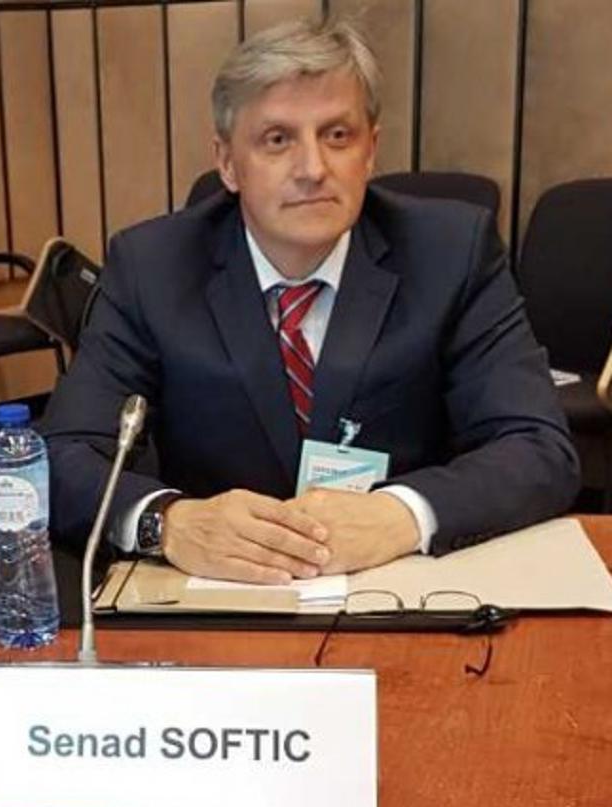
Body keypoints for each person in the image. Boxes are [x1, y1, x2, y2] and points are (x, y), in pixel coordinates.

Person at [43, 17, 578, 584]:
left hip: (399, 585)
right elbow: (60, 456)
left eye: (337, 136)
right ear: (227, 163)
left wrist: (400, 515)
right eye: (277, 140)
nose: (313, 170)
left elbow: (538, 446)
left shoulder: (450, 253)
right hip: (219, 593)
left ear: (370, 151)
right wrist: (168, 522)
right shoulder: (153, 267)